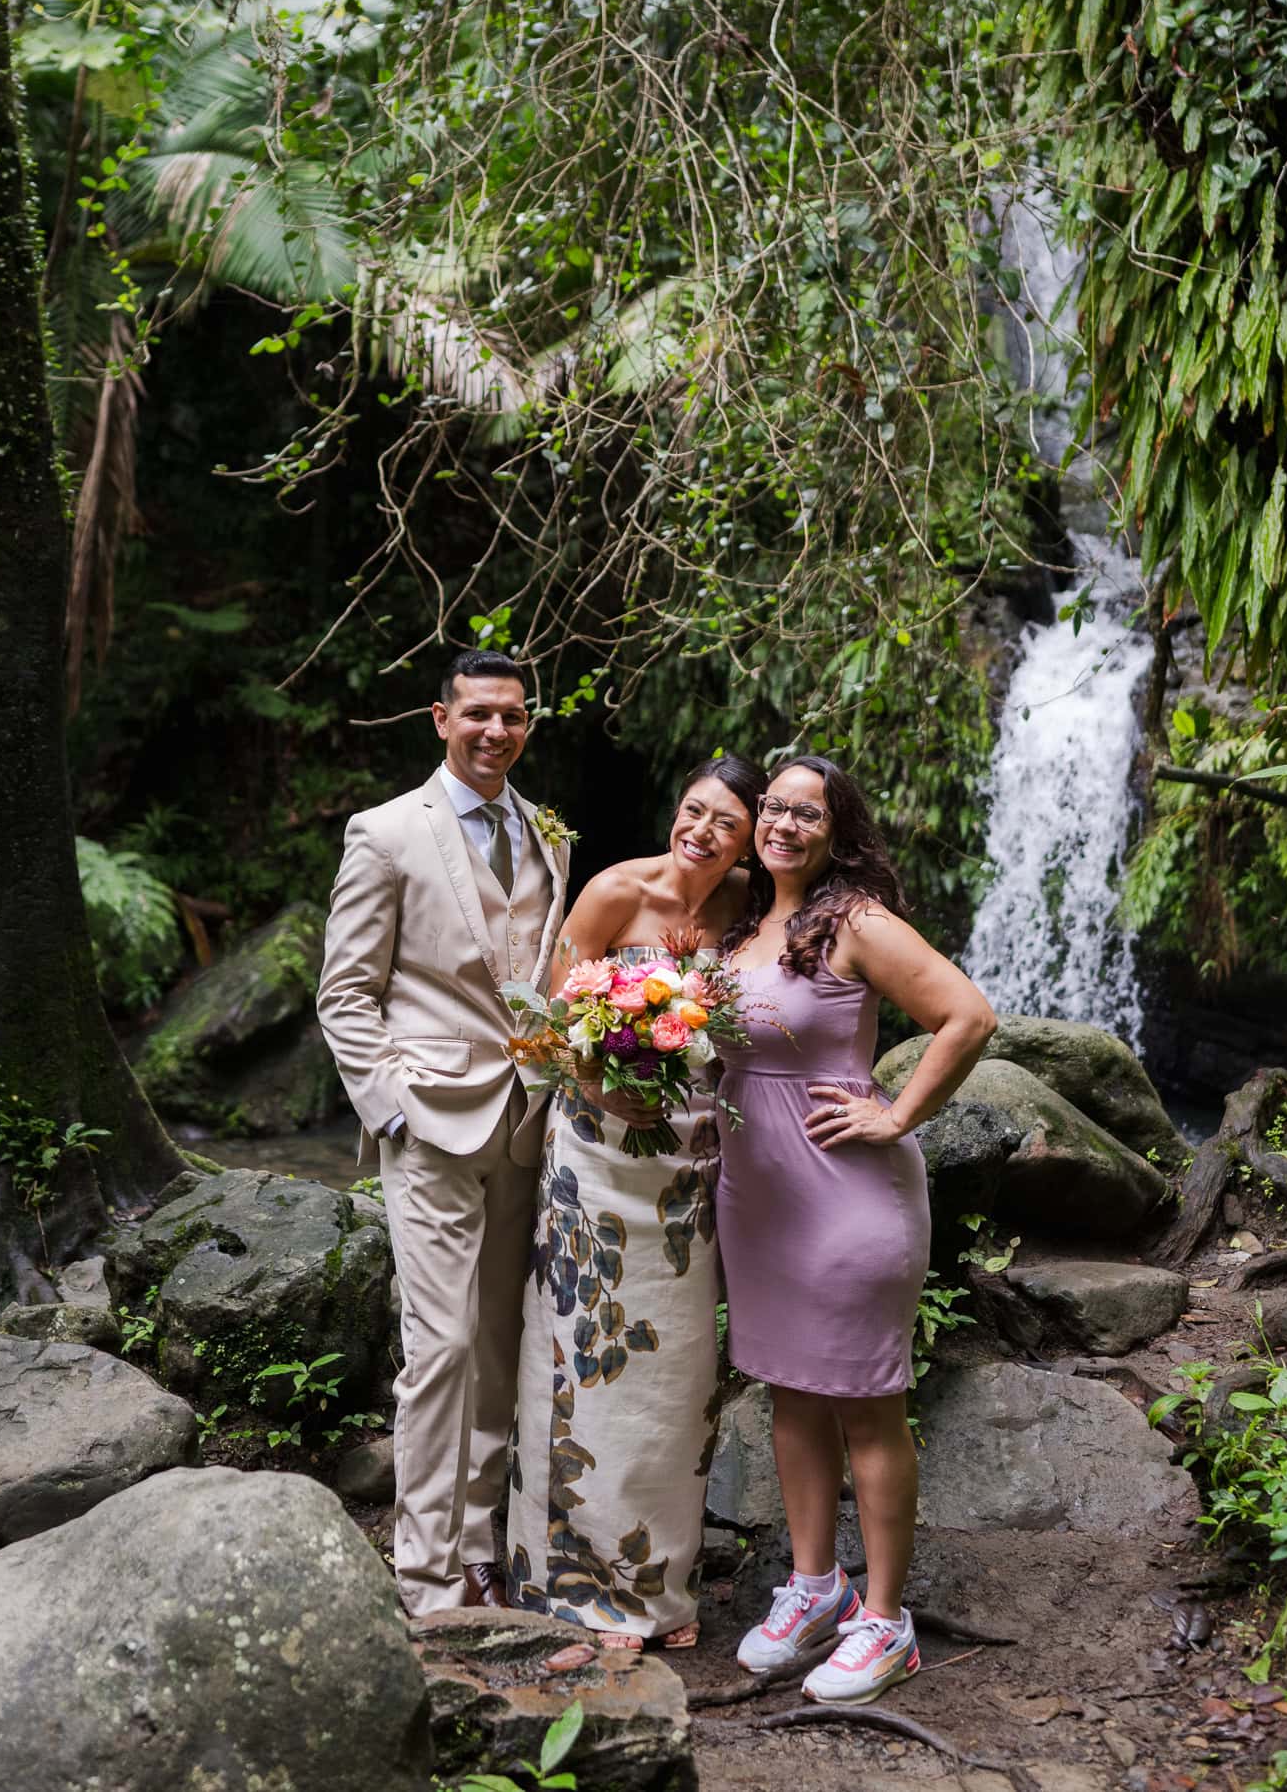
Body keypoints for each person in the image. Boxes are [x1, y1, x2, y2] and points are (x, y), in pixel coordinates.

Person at [718, 755, 995, 1703]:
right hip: (758, 1201)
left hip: (846, 1196)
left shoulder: (857, 922)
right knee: (792, 1393)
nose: (785, 824)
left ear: (837, 831)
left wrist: (897, 1113)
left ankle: (886, 1621)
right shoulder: (747, 925)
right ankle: (814, 1586)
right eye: (774, 808)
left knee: (866, 1400)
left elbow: (966, 1015)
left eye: (809, 812)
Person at [316, 649, 571, 1617]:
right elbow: (345, 993)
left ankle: (480, 1551)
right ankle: (424, 1577)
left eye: (511, 716)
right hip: (427, 1121)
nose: (495, 731)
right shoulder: (385, 834)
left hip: (526, 1121)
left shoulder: (547, 831)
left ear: (528, 724)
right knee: (443, 1346)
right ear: (440, 718)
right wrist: (390, 1110)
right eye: (477, 715)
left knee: (503, 1343)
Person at [508, 755, 765, 1649]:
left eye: (724, 823)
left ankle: (660, 1585)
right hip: (595, 1158)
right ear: (676, 809)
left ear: (745, 839)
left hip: (689, 1168)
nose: (702, 832)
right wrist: (607, 1085)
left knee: (677, 1379)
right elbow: (546, 1026)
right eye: (694, 811)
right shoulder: (616, 892)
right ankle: (574, 1582)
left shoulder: (744, 907)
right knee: (586, 1366)